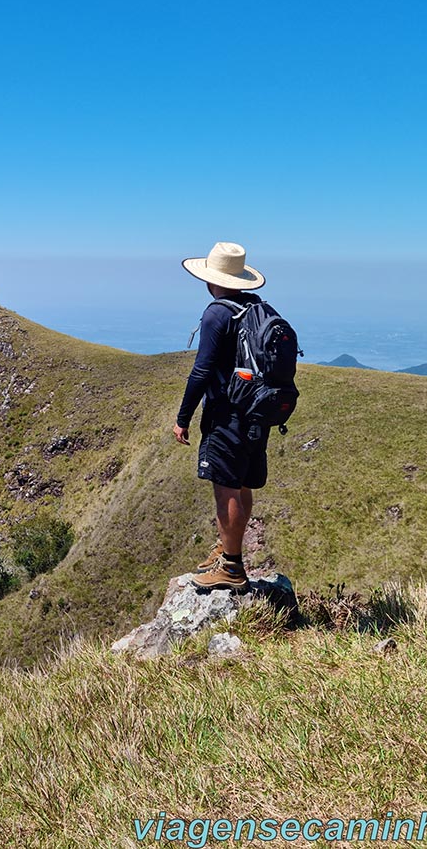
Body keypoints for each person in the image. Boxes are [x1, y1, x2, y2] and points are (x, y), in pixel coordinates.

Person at [172, 242, 272, 591]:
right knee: (241, 484)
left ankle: (230, 568)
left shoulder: (217, 313)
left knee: (225, 488)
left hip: (227, 413)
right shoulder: (256, 307)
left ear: (209, 278)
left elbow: (201, 372)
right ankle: (228, 549)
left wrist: (183, 417)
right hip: (256, 411)